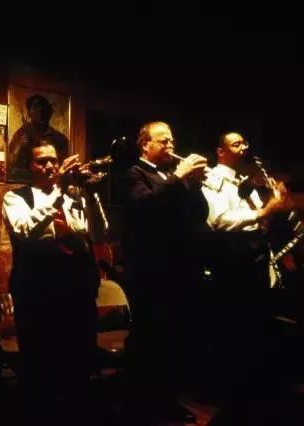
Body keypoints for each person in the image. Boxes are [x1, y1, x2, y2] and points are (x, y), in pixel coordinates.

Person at [2, 136, 99, 415]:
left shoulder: (75, 195)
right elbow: (25, 230)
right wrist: (59, 193)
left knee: (79, 357)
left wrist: (91, 194)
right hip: (37, 289)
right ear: (29, 166)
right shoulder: (15, 197)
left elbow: (98, 233)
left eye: (54, 161)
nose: (50, 166)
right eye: (41, 161)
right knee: (40, 359)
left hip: (77, 286)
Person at [122, 121, 209, 423]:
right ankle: (144, 404)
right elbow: (145, 206)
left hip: (176, 270)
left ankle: (168, 400)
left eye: (172, 140)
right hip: (149, 272)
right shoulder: (134, 173)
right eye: (163, 141)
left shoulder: (171, 177)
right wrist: (179, 176)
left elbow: (199, 214)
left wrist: (195, 184)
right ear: (145, 144)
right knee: (150, 338)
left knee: (173, 338)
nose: (171, 146)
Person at [202, 131, 291, 291]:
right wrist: (264, 211)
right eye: (236, 145)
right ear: (221, 152)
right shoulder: (213, 178)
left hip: (256, 249)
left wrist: (274, 199)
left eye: (245, 143)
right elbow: (219, 220)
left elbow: (260, 218)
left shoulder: (243, 179)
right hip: (234, 254)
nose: (244, 148)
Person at [8, 94, 69, 178]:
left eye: (44, 106)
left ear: (51, 111)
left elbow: (63, 167)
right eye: (35, 107)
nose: (40, 110)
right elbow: (11, 164)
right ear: (29, 112)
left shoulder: (60, 139)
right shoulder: (21, 134)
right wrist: (20, 147)